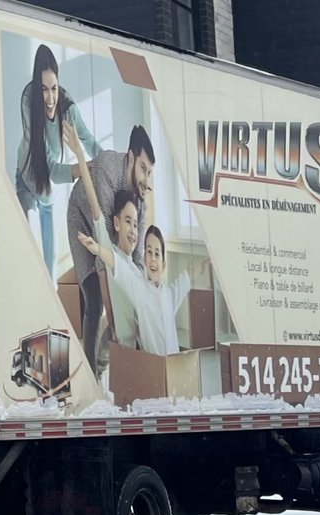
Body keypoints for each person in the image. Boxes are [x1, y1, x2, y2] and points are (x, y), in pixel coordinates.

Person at [67, 125, 158, 368]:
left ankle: (118, 358)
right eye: (142, 169)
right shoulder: (107, 168)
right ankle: (89, 367)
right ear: (130, 158)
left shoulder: (140, 201)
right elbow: (104, 248)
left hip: (108, 227)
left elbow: (136, 263)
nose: (145, 180)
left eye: (149, 172)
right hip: (83, 217)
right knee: (95, 300)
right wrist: (116, 324)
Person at [14, 44, 101, 272]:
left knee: (49, 268)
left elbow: (88, 139)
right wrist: (81, 168)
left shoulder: (67, 106)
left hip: (45, 191)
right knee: (29, 254)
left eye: (54, 88)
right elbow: (50, 166)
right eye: (43, 89)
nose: (50, 98)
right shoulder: (27, 101)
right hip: (26, 178)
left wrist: (106, 163)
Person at [77, 212, 190, 356]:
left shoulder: (169, 294)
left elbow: (188, 278)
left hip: (175, 367)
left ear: (163, 264)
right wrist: (98, 249)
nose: (153, 259)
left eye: (157, 253)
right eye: (149, 252)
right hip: (153, 368)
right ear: (144, 259)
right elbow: (118, 266)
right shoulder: (140, 290)